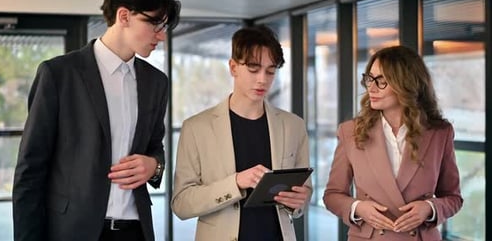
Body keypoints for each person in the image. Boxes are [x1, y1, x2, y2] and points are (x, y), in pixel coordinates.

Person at [12, 0, 180, 241]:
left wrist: (153, 166)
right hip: (72, 230)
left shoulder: (156, 82)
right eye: (155, 25)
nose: (160, 37)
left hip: (135, 231)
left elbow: (154, 147)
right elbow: (30, 172)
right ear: (124, 16)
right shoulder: (58, 74)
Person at [171, 25, 312, 241]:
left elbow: (304, 193)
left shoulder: (294, 126)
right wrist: (235, 182)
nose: (262, 79)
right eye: (254, 69)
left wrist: (300, 202)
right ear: (233, 67)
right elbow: (181, 203)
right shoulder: (196, 128)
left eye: (271, 71)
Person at [323, 45, 463, 240]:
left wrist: (429, 208)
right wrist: (358, 208)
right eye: (370, 78)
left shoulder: (439, 133)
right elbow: (332, 195)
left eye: (381, 81)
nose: (371, 87)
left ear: (405, 84)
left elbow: (453, 197)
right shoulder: (350, 132)